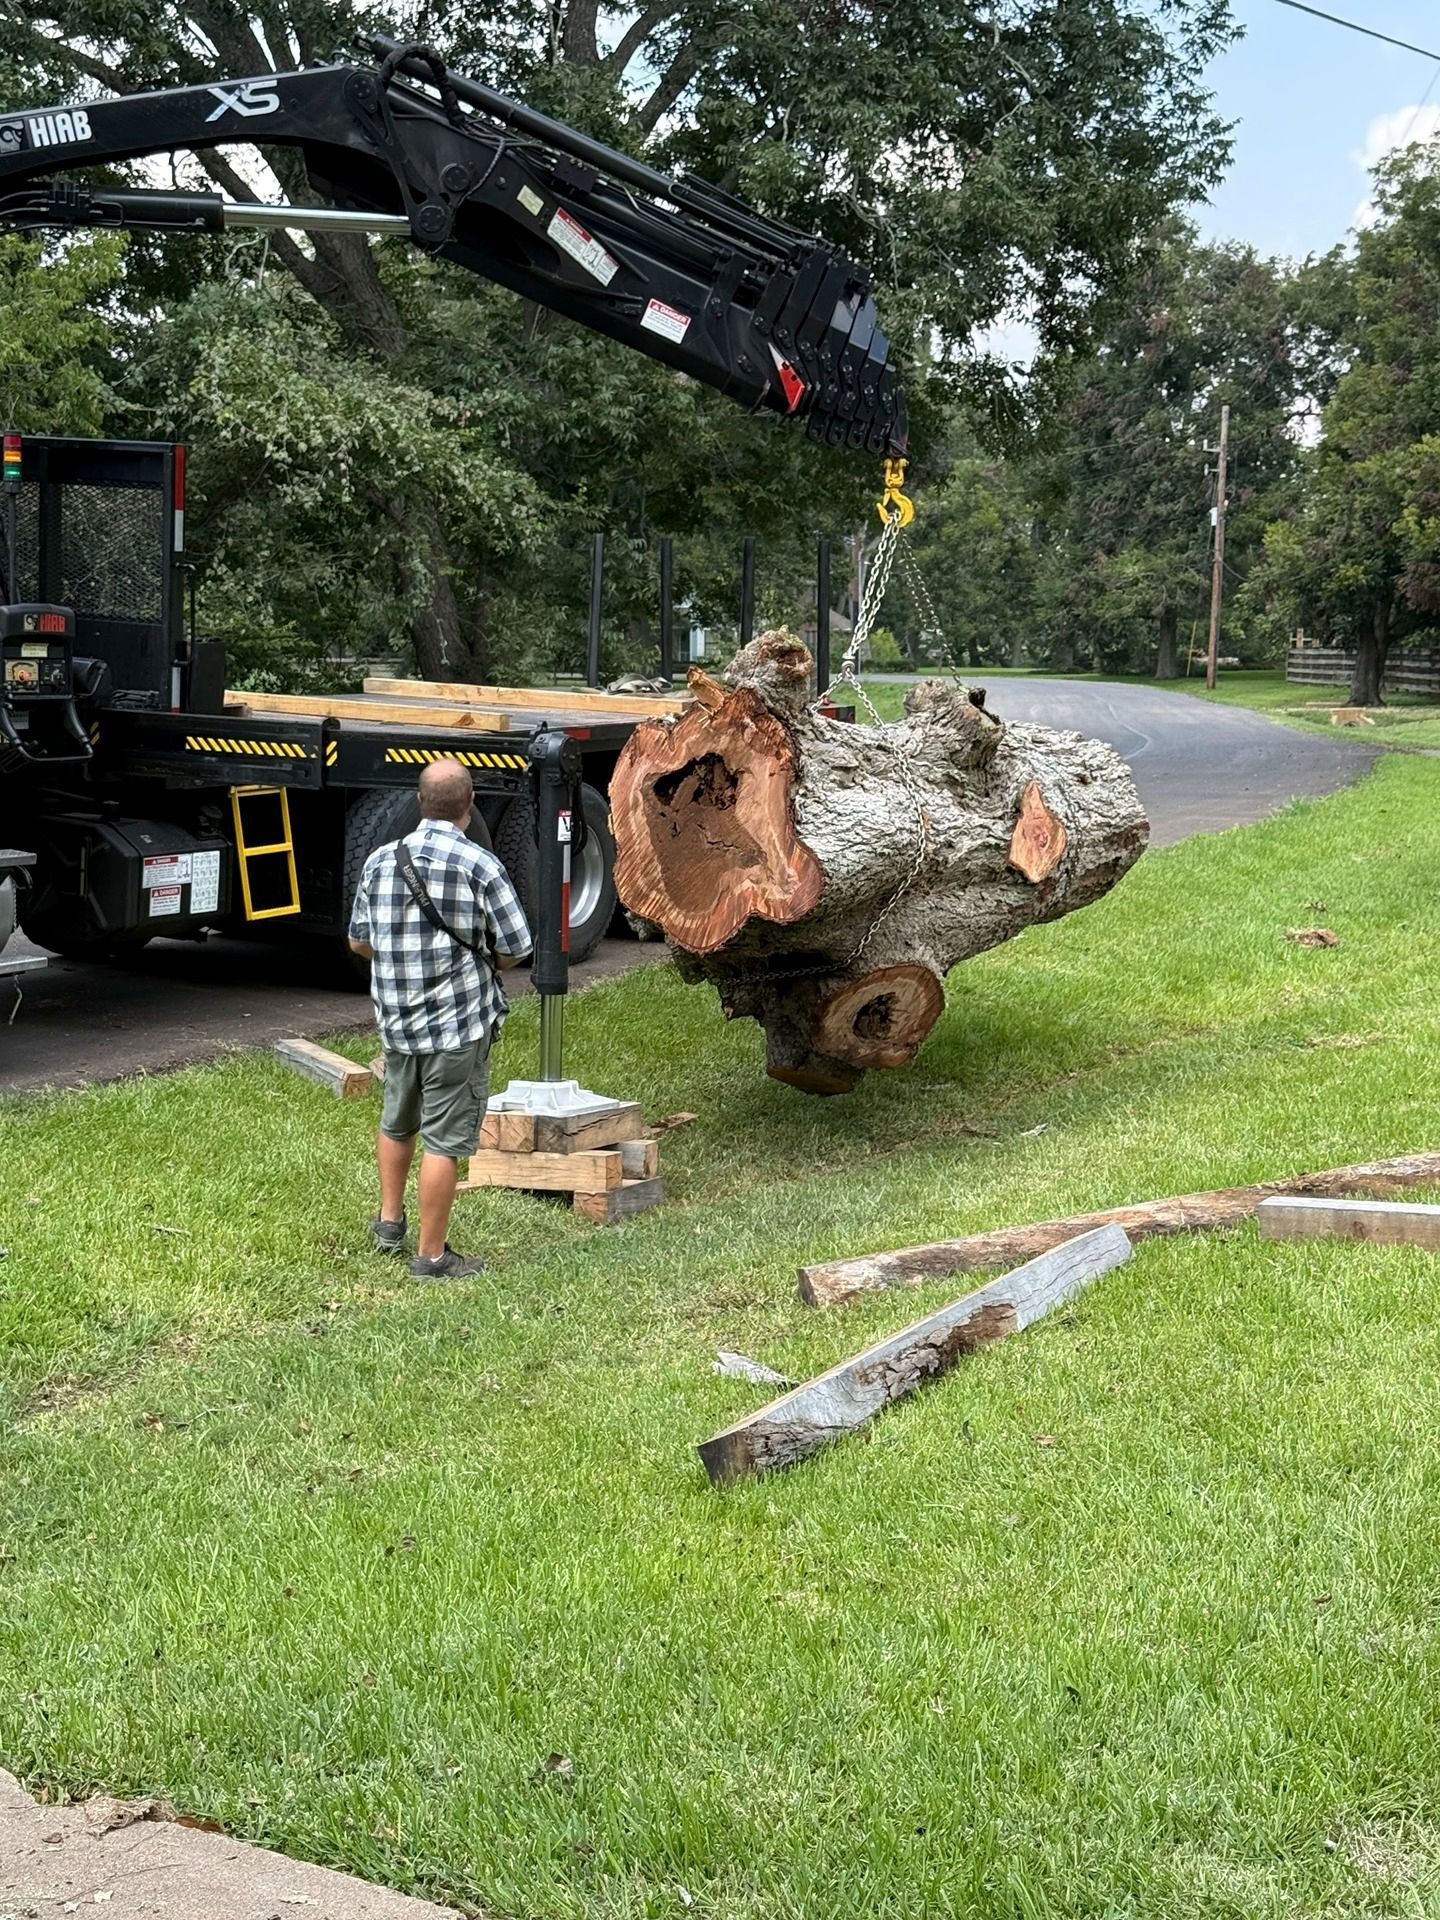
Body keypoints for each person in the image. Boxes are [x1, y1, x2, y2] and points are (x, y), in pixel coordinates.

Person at [348, 759, 532, 1278]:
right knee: (444, 1140)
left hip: (397, 1021)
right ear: (469, 805)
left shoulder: (382, 860)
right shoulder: (481, 865)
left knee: (396, 1119)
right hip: (457, 1026)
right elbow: (517, 948)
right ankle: (431, 1255)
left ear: (420, 801)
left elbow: (359, 942)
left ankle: (389, 1223)